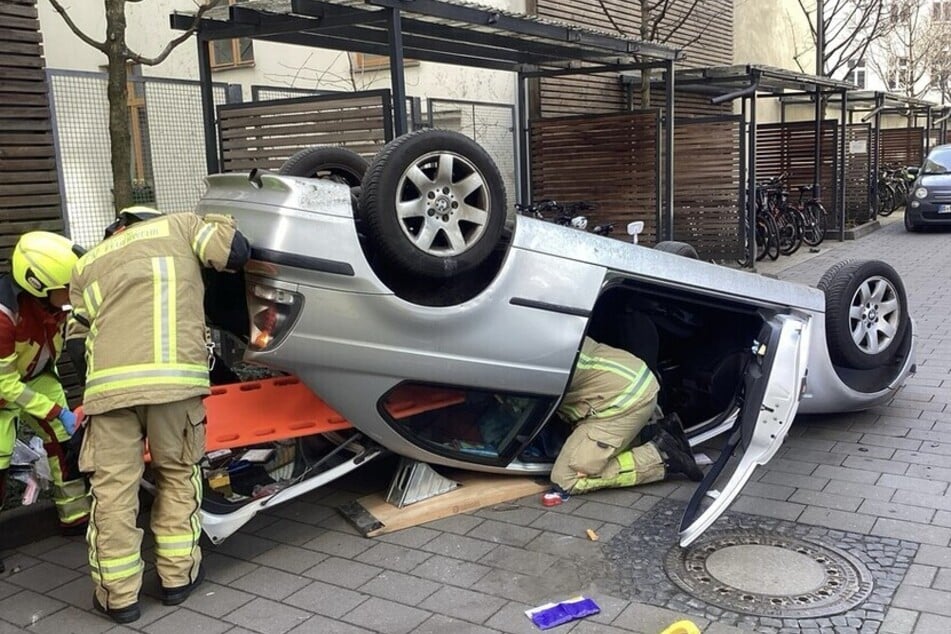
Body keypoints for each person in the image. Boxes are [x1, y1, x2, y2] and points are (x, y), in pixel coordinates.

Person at [66, 206, 250, 624]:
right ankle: (177, 579)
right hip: (174, 384)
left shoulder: (90, 261)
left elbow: (76, 341)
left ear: (119, 226)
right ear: (153, 216)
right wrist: (220, 217)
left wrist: (97, 393)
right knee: (178, 474)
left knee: (112, 491)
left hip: (109, 392)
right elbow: (233, 252)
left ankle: (118, 597)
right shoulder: (183, 225)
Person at [1, 232, 91, 573]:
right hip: (3, 388)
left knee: (65, 444)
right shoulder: (3, 316)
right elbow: (5, 383)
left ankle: (75, 516)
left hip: (35, 378)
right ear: (37, 284)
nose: (71, 294)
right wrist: (55, 411)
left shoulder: (49, 306)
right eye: (66, 286)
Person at [543, 336, 703, 506]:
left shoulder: (540, 359)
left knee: (567, 478)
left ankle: (661, 455)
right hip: (627, 382)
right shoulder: (546, 332)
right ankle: (647, 432)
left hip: (623, 401)